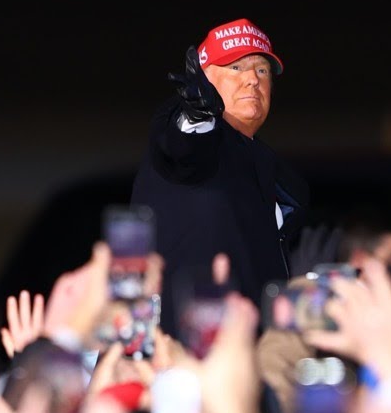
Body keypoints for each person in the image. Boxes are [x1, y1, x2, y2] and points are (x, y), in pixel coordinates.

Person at [131, 18, 308, 333]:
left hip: (253, 351)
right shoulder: (193, 132)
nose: (252, 80)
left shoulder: (280, 175)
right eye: (236, 68)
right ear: (203, 81)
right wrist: (196, 114)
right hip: (183, 352)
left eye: (262, 70)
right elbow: (185, 143)